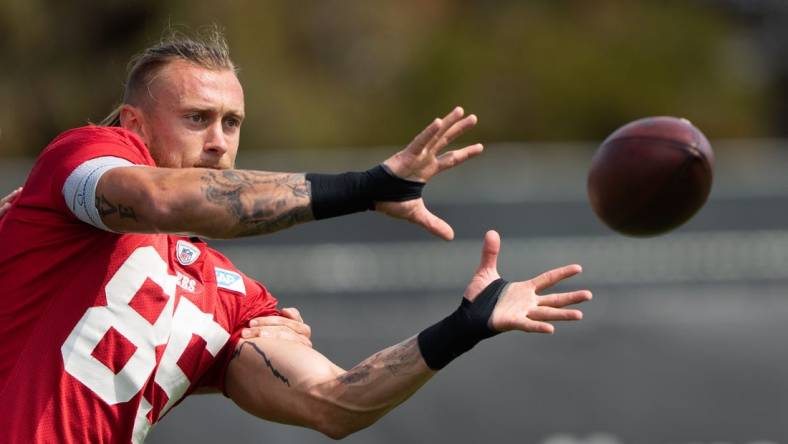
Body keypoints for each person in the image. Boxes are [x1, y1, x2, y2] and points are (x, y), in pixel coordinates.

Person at [0, 29, 591, 443]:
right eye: (196, 118)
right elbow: (164, 199)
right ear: (133, 123)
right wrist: (367, 187)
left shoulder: (232, 300)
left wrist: (464, 327)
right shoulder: (83, 161)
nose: (219, 142)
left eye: (232, 123)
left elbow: (333, 402)